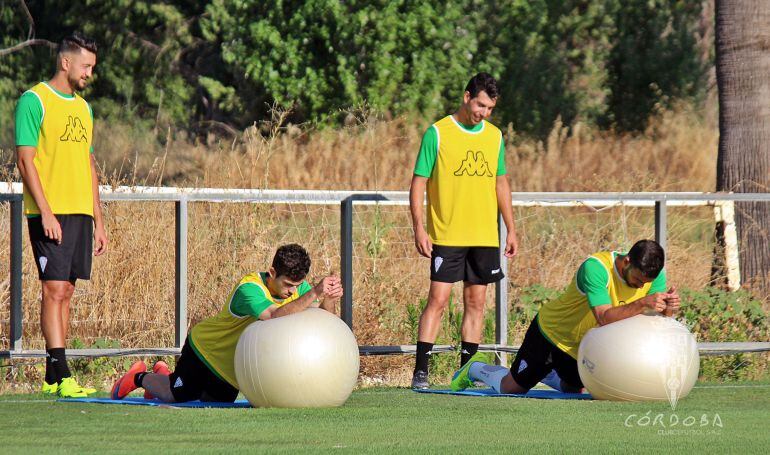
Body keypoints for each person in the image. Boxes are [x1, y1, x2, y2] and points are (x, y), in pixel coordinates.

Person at [111, 244, 343, 403]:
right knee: (177, 395)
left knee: (209, 404)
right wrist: (315, 292)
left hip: (231, 370)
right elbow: (274, 317)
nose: (293, 291)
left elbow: (321, 323)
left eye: (298, 285)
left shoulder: (300, 289)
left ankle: (165, 374)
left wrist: (329, 300)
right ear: (272, 272)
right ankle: (139, 377)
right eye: (288, 285)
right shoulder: (249, 289)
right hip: (206, 350)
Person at [451, 239, 681, 394]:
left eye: (646, 284)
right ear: (627, 261)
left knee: (574, 391)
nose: (641, 286)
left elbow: (658, 322)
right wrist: (643, 302)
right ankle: (474, 368)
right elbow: (603, 317)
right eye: (639, 281)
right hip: (551, 335)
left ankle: (548, 372)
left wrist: (668, 307)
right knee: (511, 388)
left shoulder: (653, 276)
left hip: (584, 346)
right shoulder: (596, 268)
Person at [409, 72, 518, 389]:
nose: (483, 113)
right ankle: (421, 371)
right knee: (438, 300)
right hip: (447, 235)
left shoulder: (495, 137)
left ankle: (464, 374)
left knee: (476, 304)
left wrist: (511, 228)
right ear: (467, 96)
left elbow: (501, 182)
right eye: (480, 105)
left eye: (490, 108)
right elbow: (419, 183)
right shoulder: (438, 133)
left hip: (484, 236)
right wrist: (419, 227)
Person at [15, 32, 108, 398]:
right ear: (66, 62)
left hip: (80, 213)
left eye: (92, 67)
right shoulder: (33, 100)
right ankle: (63, 372)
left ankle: (54, 379)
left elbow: (88, 164)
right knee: (53, 289)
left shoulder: (84, 108)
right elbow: (25, 160)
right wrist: (47, 213)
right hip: (48, 213)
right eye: (85, 66)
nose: (89, 73)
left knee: (67, 289)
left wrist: (99, 219)